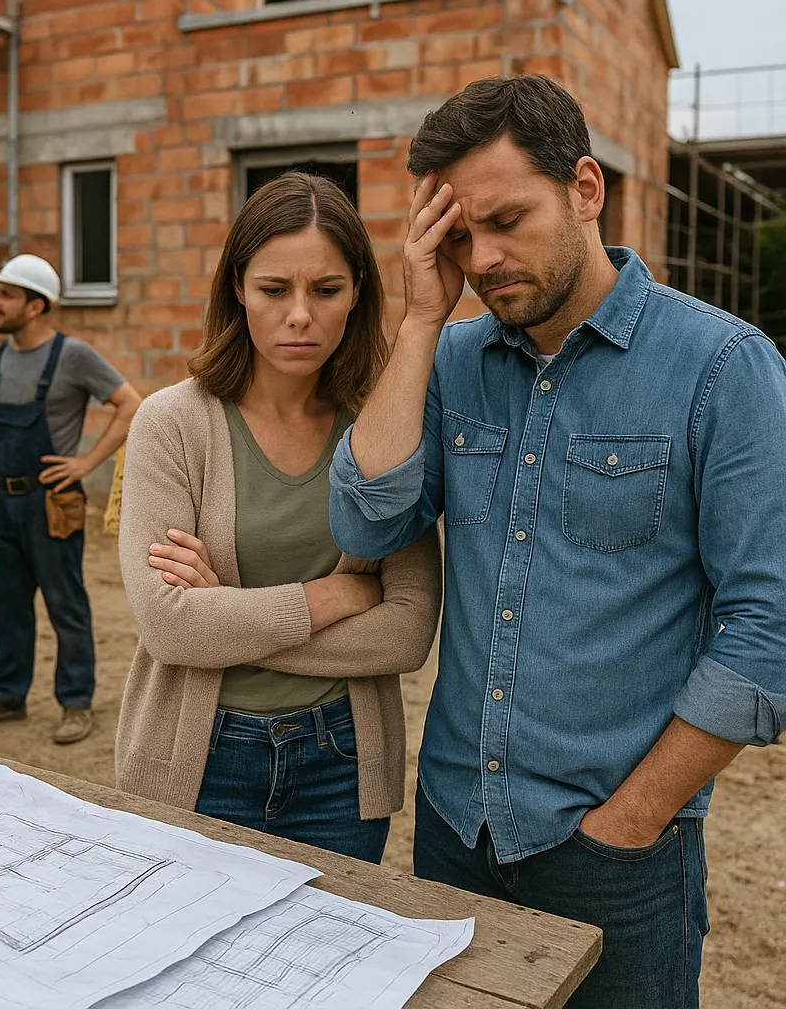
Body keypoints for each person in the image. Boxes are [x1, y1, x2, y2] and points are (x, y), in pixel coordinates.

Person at [328, 73, 786, 1006]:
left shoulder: (724, 369)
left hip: (619, 854)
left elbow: (769, 624)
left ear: (585, 189)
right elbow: (364, 518)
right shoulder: (452, 361)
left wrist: (633, 821)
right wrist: (419, 317)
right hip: (456, 830)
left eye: (506, 220)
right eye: (459, 236)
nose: (484, 257)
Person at [116, 172, 441, 863]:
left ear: (357, 289)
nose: (300, 315)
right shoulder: (170, 425)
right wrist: (334, 596)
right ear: (237, 286)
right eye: (274, 290)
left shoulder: (387, 432)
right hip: (198, 762)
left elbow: (407, 635)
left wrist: (228, 616)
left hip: (341, 766)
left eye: (325, 290)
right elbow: (169, 627)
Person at [0, 254, 141, 745]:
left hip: (53, 501)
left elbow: (130, 403)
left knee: (64, 603)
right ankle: (5, 695)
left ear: (35, 306)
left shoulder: (72, 356)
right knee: (6, 601)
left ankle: (76, 702)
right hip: (2, 501)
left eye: (6, 295)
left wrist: (86, 463)